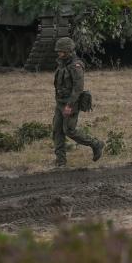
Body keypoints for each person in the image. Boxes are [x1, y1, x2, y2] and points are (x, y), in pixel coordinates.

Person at [52, 37, 103, 167]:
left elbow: (78, 88)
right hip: (60, 103)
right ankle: (60, 161)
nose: (59, 54)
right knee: (57, 130)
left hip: (71, 103)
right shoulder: (62, 63)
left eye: (62, 51)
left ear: (69, 51)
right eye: (59, 51)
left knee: (69, 130)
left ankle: (95, 144)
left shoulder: (76, 66)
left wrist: (69, 105)